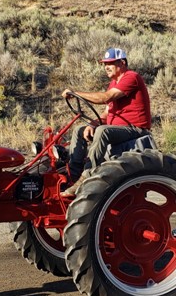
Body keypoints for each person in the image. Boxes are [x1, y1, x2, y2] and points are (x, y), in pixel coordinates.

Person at [61, 47, 151, 195]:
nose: (106, 67)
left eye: (110, 63)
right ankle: (73, 174)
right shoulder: (113, 83)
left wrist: (75, 93)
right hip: (117, 128)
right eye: (104, 64)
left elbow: (105, 98)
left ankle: (87, 175)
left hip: (135, 128)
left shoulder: (131, 77)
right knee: (80, 129)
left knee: (103, 131)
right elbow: (107, 111)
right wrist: (93, 123)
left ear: (122, 63)